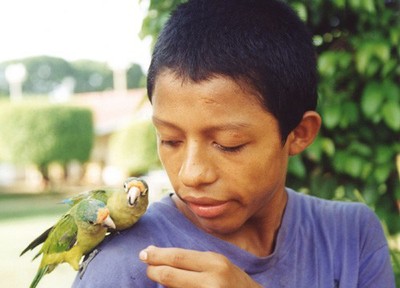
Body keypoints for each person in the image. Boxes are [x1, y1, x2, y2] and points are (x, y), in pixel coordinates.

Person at [73, 0, 395, 287]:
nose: (192, 174)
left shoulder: (351, 237)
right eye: (170, 140)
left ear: (298, 133)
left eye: (228, 144)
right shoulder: (124, 264)